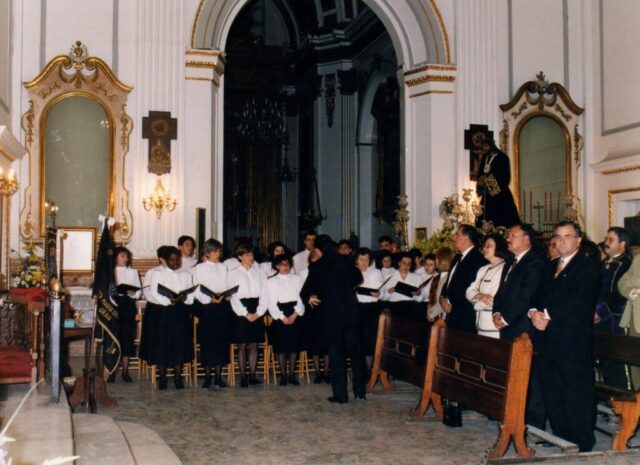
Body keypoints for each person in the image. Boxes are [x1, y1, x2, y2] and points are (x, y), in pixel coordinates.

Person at [532, 221, 601, 451]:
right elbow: (537, 296)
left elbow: (578, 301)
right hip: (548, 339)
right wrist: (533, 313)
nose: (561, 241)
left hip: (573, 340)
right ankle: (561, 434)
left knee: (575, 390)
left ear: (578, 240)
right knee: (553, 388)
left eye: (567, 236)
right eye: (558, 237)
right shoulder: (550, 266)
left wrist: (546, 314)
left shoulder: (587, 267)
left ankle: (581, 439)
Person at [491, 224, 547, 430]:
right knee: (513, 372)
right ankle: (514, 415)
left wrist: (506, 317)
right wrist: (496, 313)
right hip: (508, 326)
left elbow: (527, 295)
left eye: (512, 235)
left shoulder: (535, 263)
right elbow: (501, 293)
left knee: (530, 375)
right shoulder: (510, 262)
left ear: (526, 239)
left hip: (523, 327)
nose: (508, 238)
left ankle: (534, 423)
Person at [300, 235, 365, 403]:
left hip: (332, 315)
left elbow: (305, 291)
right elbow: (359, 278)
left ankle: (340, 395)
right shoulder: (346, 260)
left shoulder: (317, 266)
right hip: (351, 312)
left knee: (337, 355)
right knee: (356, 353)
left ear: (318, 249)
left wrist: (312, 297)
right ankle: (360, 392)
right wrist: (345, 287)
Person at [145, 246, 195, 390]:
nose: (175, 262)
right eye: (172, 260)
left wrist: (185, 298)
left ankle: (178, 377)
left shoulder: (186, 274)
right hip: (163, 312)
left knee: (179, 345)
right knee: (163, 345)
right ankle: (163, 378)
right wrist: (169, 301)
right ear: (165, 260)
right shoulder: (158, 274)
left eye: (177, 259)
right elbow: (154, 292)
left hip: (180, 313)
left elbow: (191, 293)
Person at [191, 238, 232, 389]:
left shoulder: (223, 267)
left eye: (219, 251)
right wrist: (209, 299)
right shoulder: (199, 268)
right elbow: (197, 289)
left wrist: (227, 294)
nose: (218, 254)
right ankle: (208, 377)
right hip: (207, 307)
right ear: (207, 253)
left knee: (221, 342)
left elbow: (226, 284)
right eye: (215, 251)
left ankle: (219, 377)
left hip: (221, 307)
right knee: (208, 342)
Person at [595, 227, 632, 389]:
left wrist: (600, 311)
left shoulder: (627, 265)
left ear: (622, 244)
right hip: (599, 318)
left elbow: (619, 294)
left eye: (611, 240)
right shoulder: (605, 263)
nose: (606, 243)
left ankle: (624, 395)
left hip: (616, 319)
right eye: (606, 239)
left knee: (618, 359)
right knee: (605, 360)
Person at [259, 254, 305, 386]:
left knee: (294, 347)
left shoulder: (298, 279)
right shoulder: (271, 282)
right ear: (277, 266)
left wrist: (295, 314)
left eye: (287, 264)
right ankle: (283, 375)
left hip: (295, 313)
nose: (285, 267)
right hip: (279, 314)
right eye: (282, 264)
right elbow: (270, 302)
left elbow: (302, 298)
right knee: (281, 347)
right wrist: (282, 317)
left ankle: (292, 375)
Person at [228, 243, 266, 388]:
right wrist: (245, 313)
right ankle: (243, 376)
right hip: (241, 310)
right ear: (240, 257)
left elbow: (265, 294)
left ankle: (252, 375)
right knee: (242, 345)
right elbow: (233, 297)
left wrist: (258, 312)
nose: (251, 257)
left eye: (252, 254)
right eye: (247, 255)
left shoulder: (259, 272)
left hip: (256, 307)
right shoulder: (233, 273)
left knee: (254, 344)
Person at [439, 225, 488, 333]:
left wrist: (452, 303)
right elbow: (449, 283)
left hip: (466, 318)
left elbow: (471, 288)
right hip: (452, 316)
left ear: (467, 238)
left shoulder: (478, 259)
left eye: (457, 235)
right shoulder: (457, 257)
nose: (454, 237)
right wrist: (442, 298)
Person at [465, 234, 509, 338]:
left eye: (488, 246)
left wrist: (475, 304)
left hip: (494, 328)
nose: (484, 249)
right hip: (479, 326)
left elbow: (492, 299)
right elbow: (468, 291)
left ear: (499, 247)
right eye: (484, 246)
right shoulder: (483, 269)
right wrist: (480, 296)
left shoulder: (504, 268)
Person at [111, 246, 141, 383]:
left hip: (128, 306)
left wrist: (134, 293)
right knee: (114, 337)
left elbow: (139, 292)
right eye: (122, 256)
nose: (125, 259)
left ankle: (125, 371)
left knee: (127, 338)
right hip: (114, 306)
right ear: (115, 258)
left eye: (126, 256)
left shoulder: (133, 272)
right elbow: (108, 290)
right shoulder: (111, 272)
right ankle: (112, 370)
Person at [475, 136, 520, 228]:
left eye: (486, 146)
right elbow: (480, 174)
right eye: (483, 147)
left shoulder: (502, 157)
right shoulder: (484, 158)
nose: (484, 149)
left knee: (502, 221)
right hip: (487, 196)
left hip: (500, 195)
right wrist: (480, 183)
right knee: (483, 220)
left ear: (492, 145)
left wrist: (489, 179)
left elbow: (505, 178)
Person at [300, 249, 330, 384]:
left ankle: (326, 372)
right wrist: (309, 298)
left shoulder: (328, 272)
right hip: (312, 312)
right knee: (314, 343)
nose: (315, 256)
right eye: (313, 255)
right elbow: (301, 292)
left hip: (326, 310)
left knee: (327, 343)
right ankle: (318, 373)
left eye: (318, 255)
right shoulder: (304, 272)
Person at [353, 248, 384, 371]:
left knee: (370, 339)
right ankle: (358, 370)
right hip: (356, 308)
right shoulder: (351, 271)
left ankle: (369, 370)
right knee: (357, 339)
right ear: (356, 260)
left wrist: (379, 294)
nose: (364, 262)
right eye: (361, 259)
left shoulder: (376, 272)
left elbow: (383, 292)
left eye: (366, 259)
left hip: (371, 309)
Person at [618, 253, 640, 390]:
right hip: (635, 319)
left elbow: (629, 281)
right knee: (635, 366)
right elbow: (621, 283)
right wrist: (631, 293)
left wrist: (633, 282)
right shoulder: (638, 258)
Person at [382, 251, 424, 319]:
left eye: (409, 264)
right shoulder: (388, 277)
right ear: (399, 263)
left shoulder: (417, 278)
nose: (406, 266)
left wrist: (418, 294)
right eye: (404, 263)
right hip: (394, 309)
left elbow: (421, 299)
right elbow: (383, 297)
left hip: (411, 309)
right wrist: (388, 292)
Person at [425, 247, 454, 322]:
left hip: (445, 318)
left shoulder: (449, 278)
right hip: (436, 316)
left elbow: (442, 302)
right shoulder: (437, 277)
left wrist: (430, 314)